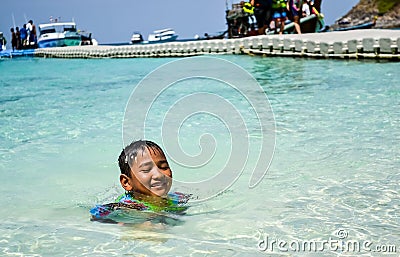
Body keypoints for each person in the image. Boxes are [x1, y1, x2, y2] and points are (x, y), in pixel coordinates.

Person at [90, 140, 190, 222]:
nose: (159, 175)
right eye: (146, 170)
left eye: (163, 167)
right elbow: (96, 215)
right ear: (127, 182)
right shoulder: (129, 206)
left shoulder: (178, 198)